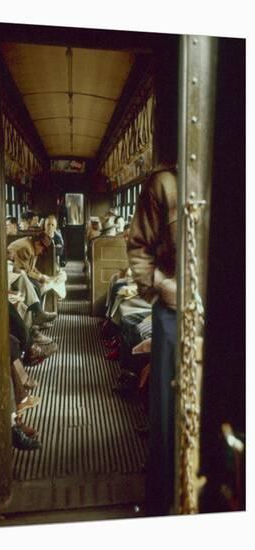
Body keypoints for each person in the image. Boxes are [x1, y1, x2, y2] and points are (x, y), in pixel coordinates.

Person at [127, 165, 177, 517]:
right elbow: (139, 245)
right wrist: (158, 283)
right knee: (167, 413)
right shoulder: (164, 183)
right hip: (173, 312)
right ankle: (161, 505)